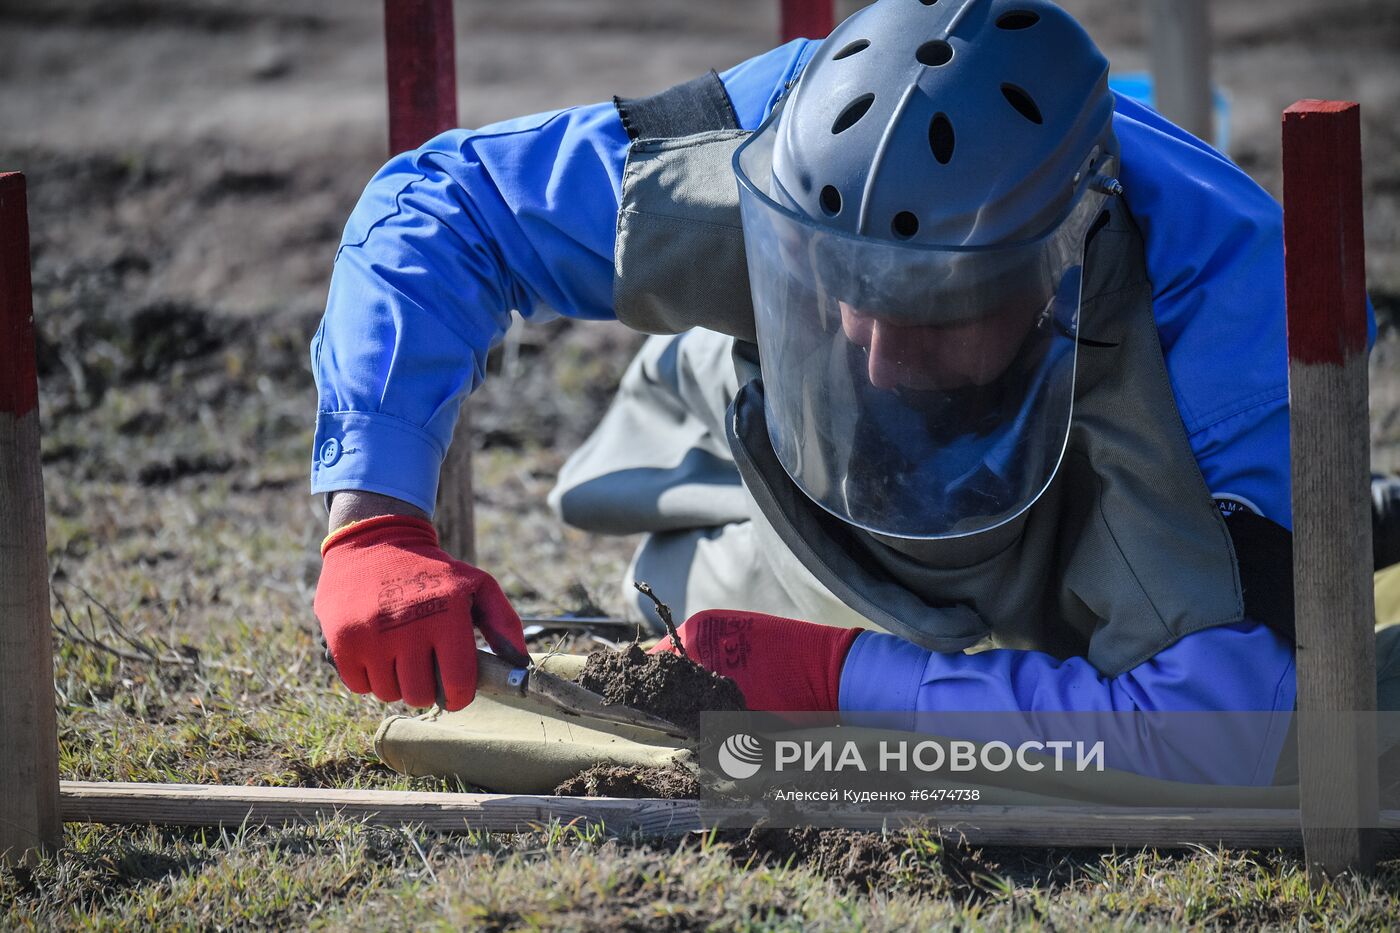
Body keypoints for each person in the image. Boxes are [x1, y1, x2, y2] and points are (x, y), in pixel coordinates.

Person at [310, 0, 1374, 784]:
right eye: (841, 294)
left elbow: (1223, 732)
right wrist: (374, 517)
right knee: (708, 589)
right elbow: (442, 204)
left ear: (1057, 265)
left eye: (933, 310)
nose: (874, 353)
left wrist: (848, 683)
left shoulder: (1235, 329)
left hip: (1078, 529)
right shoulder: (760, 141)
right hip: (774, 487)